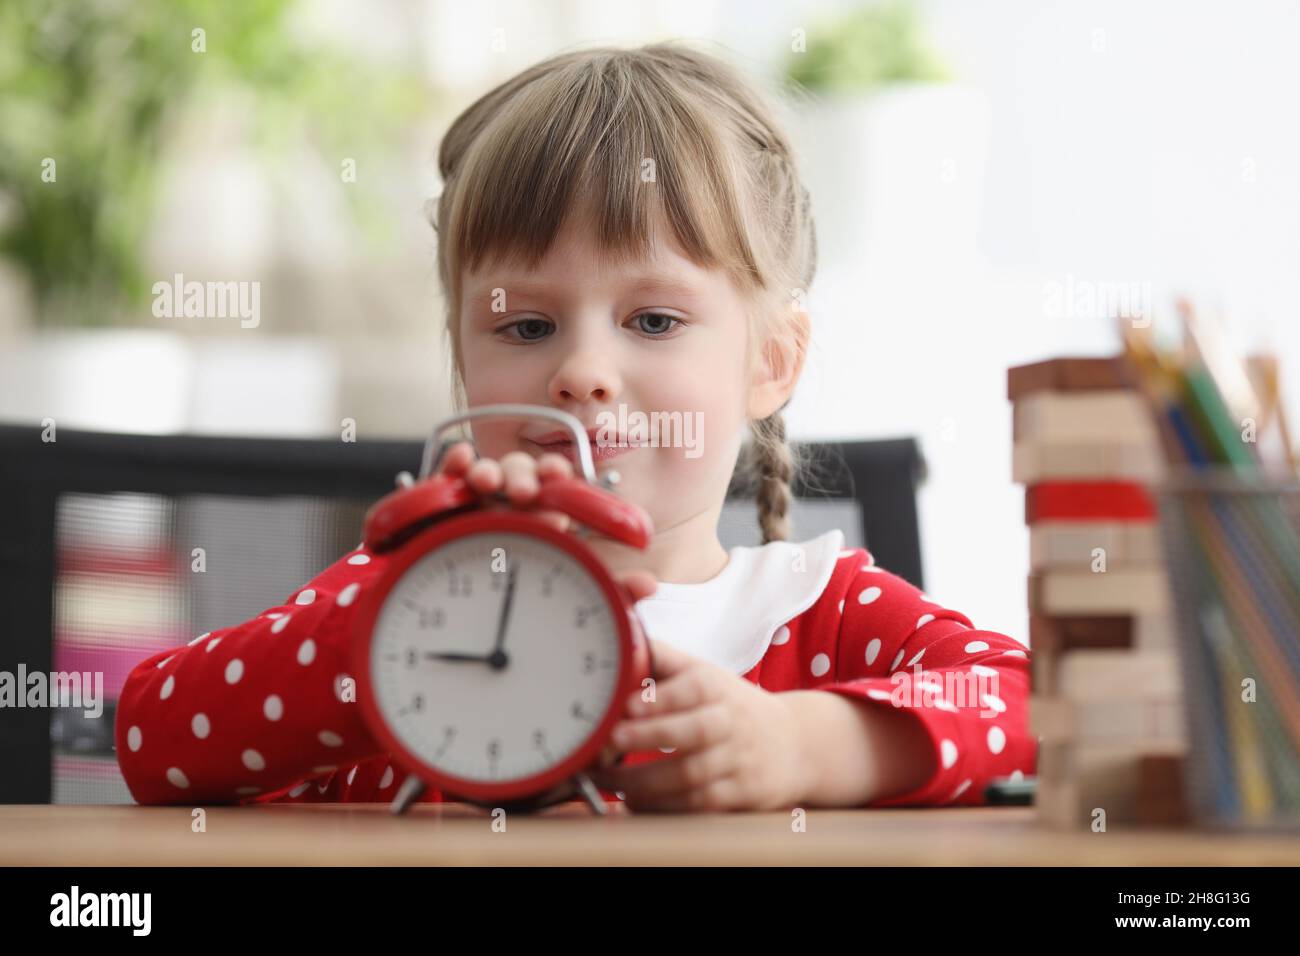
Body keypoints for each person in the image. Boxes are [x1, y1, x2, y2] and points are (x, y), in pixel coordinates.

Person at [116, 42, 1034, 812]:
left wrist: (803, 744)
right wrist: (383, 632)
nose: (582, 372)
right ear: (462, 359)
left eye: (653, 321)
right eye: (525, 326)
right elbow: (152, 732)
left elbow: (1029, 702)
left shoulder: (818, 616)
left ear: (771, 362)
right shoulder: (404, 597)